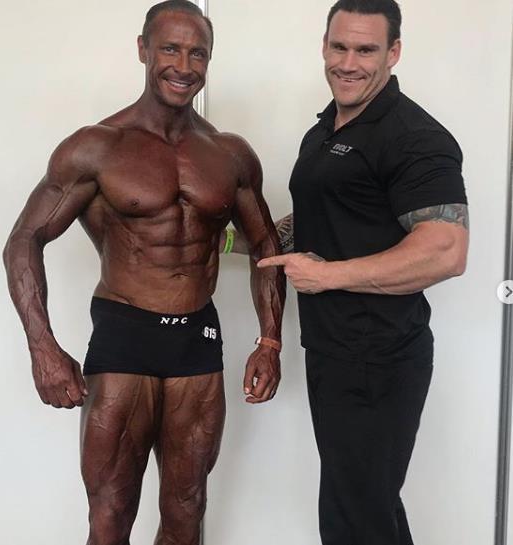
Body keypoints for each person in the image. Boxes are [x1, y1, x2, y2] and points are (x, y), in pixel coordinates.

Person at [3, 1, 285, 544]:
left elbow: (265, 246)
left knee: (187, 508)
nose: (184, 65)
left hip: (196, 341)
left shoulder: (229, 154)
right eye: (170, 49)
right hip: (124, 336)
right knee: (111, 513)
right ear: (143, 50)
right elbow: (24, 241)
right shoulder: (96, 147)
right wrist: (42, 347)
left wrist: (270, 341)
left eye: (198, 53)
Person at [226, 0, 469, 544]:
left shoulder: (414, 137)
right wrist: (227, 241)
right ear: (324, 46)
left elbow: (446, 250)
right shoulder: (324, 131)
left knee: (354, 518)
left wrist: (328, 276)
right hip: (333, 351)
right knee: (363, 509)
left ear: (393, 53)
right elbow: (315, 223)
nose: (348, 62)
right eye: (339, 47)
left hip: (379, 356)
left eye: (365, 49)